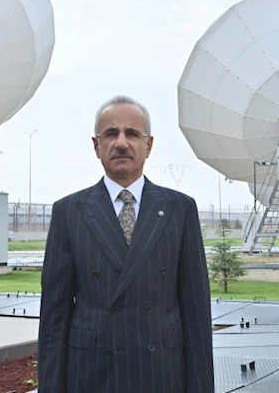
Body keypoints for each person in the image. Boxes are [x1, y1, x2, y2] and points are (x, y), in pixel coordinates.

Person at [37, 95, 215, 392]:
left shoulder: (179, 209)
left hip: (162, 374)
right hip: (91, 375)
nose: (121, 143)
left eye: (132, 133)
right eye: (111, 134)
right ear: (97, 146)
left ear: (149, 145)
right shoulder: (69, 212)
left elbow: (196, 314)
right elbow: (53, 319)